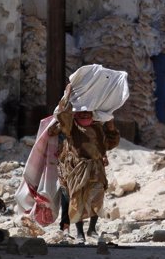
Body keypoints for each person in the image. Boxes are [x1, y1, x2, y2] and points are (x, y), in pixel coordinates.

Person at [49, 84, 120, 242]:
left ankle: (92, 230)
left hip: (96, 168)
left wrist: (110, 125)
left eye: (88, 112)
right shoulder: (70, 128)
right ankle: (80, 233)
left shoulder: (97, 127)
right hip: (76, 170)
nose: (85, 114)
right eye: (81, 112)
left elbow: (110, 143)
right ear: (75, 114)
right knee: (77, 200)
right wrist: (67, 96)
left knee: (96, 198)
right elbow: (62, 115)